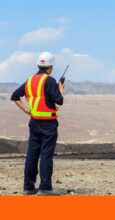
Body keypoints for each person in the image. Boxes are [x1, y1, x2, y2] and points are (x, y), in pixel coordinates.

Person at [11, 52, 65, 195]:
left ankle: (28, 187)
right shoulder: (50, 80)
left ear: (38, 65)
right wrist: (60, 89)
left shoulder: (29, 81)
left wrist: (28, 111)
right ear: (50, 67)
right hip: (48, 124)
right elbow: (59, 100)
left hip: (34, 122)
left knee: (32, 154)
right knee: (46, 154)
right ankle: (45, 188)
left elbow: (14, 96)